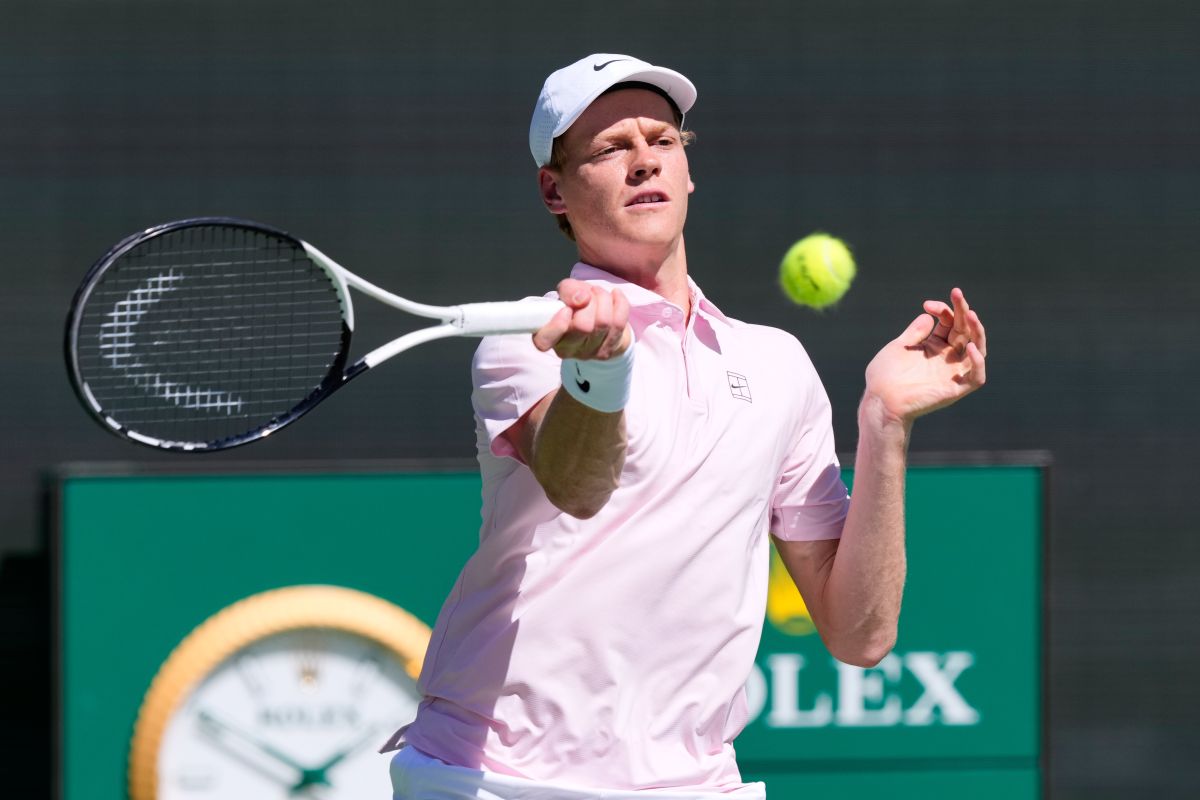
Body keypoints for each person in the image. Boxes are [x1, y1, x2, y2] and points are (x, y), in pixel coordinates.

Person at [384, 53, 987, 799]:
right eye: (610, 149)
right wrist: (598, 373)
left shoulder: (778, 365)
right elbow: (578, 485)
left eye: (662, 141)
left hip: (697, 786)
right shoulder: (527, 341)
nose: (644, 161)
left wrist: (886, 422)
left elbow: (861, 635)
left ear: (688, 171)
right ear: (554, 190)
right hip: (496, 776)